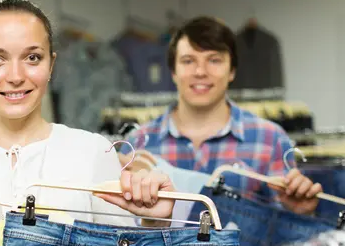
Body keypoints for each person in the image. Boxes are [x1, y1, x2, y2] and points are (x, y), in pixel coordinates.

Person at [0, 0, 174, 228]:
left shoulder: (93, 152)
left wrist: (155, 224)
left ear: (51, 65)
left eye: (32, 58)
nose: (15, 76)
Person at [124, 16, 322, 215]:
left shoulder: (271, 139)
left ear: (232, 71)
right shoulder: (138, 142)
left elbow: (282, 233)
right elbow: (123, 226)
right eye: (188, 61)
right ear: (174, 72)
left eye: (214, 60)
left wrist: (299, 214)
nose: (200, 71)